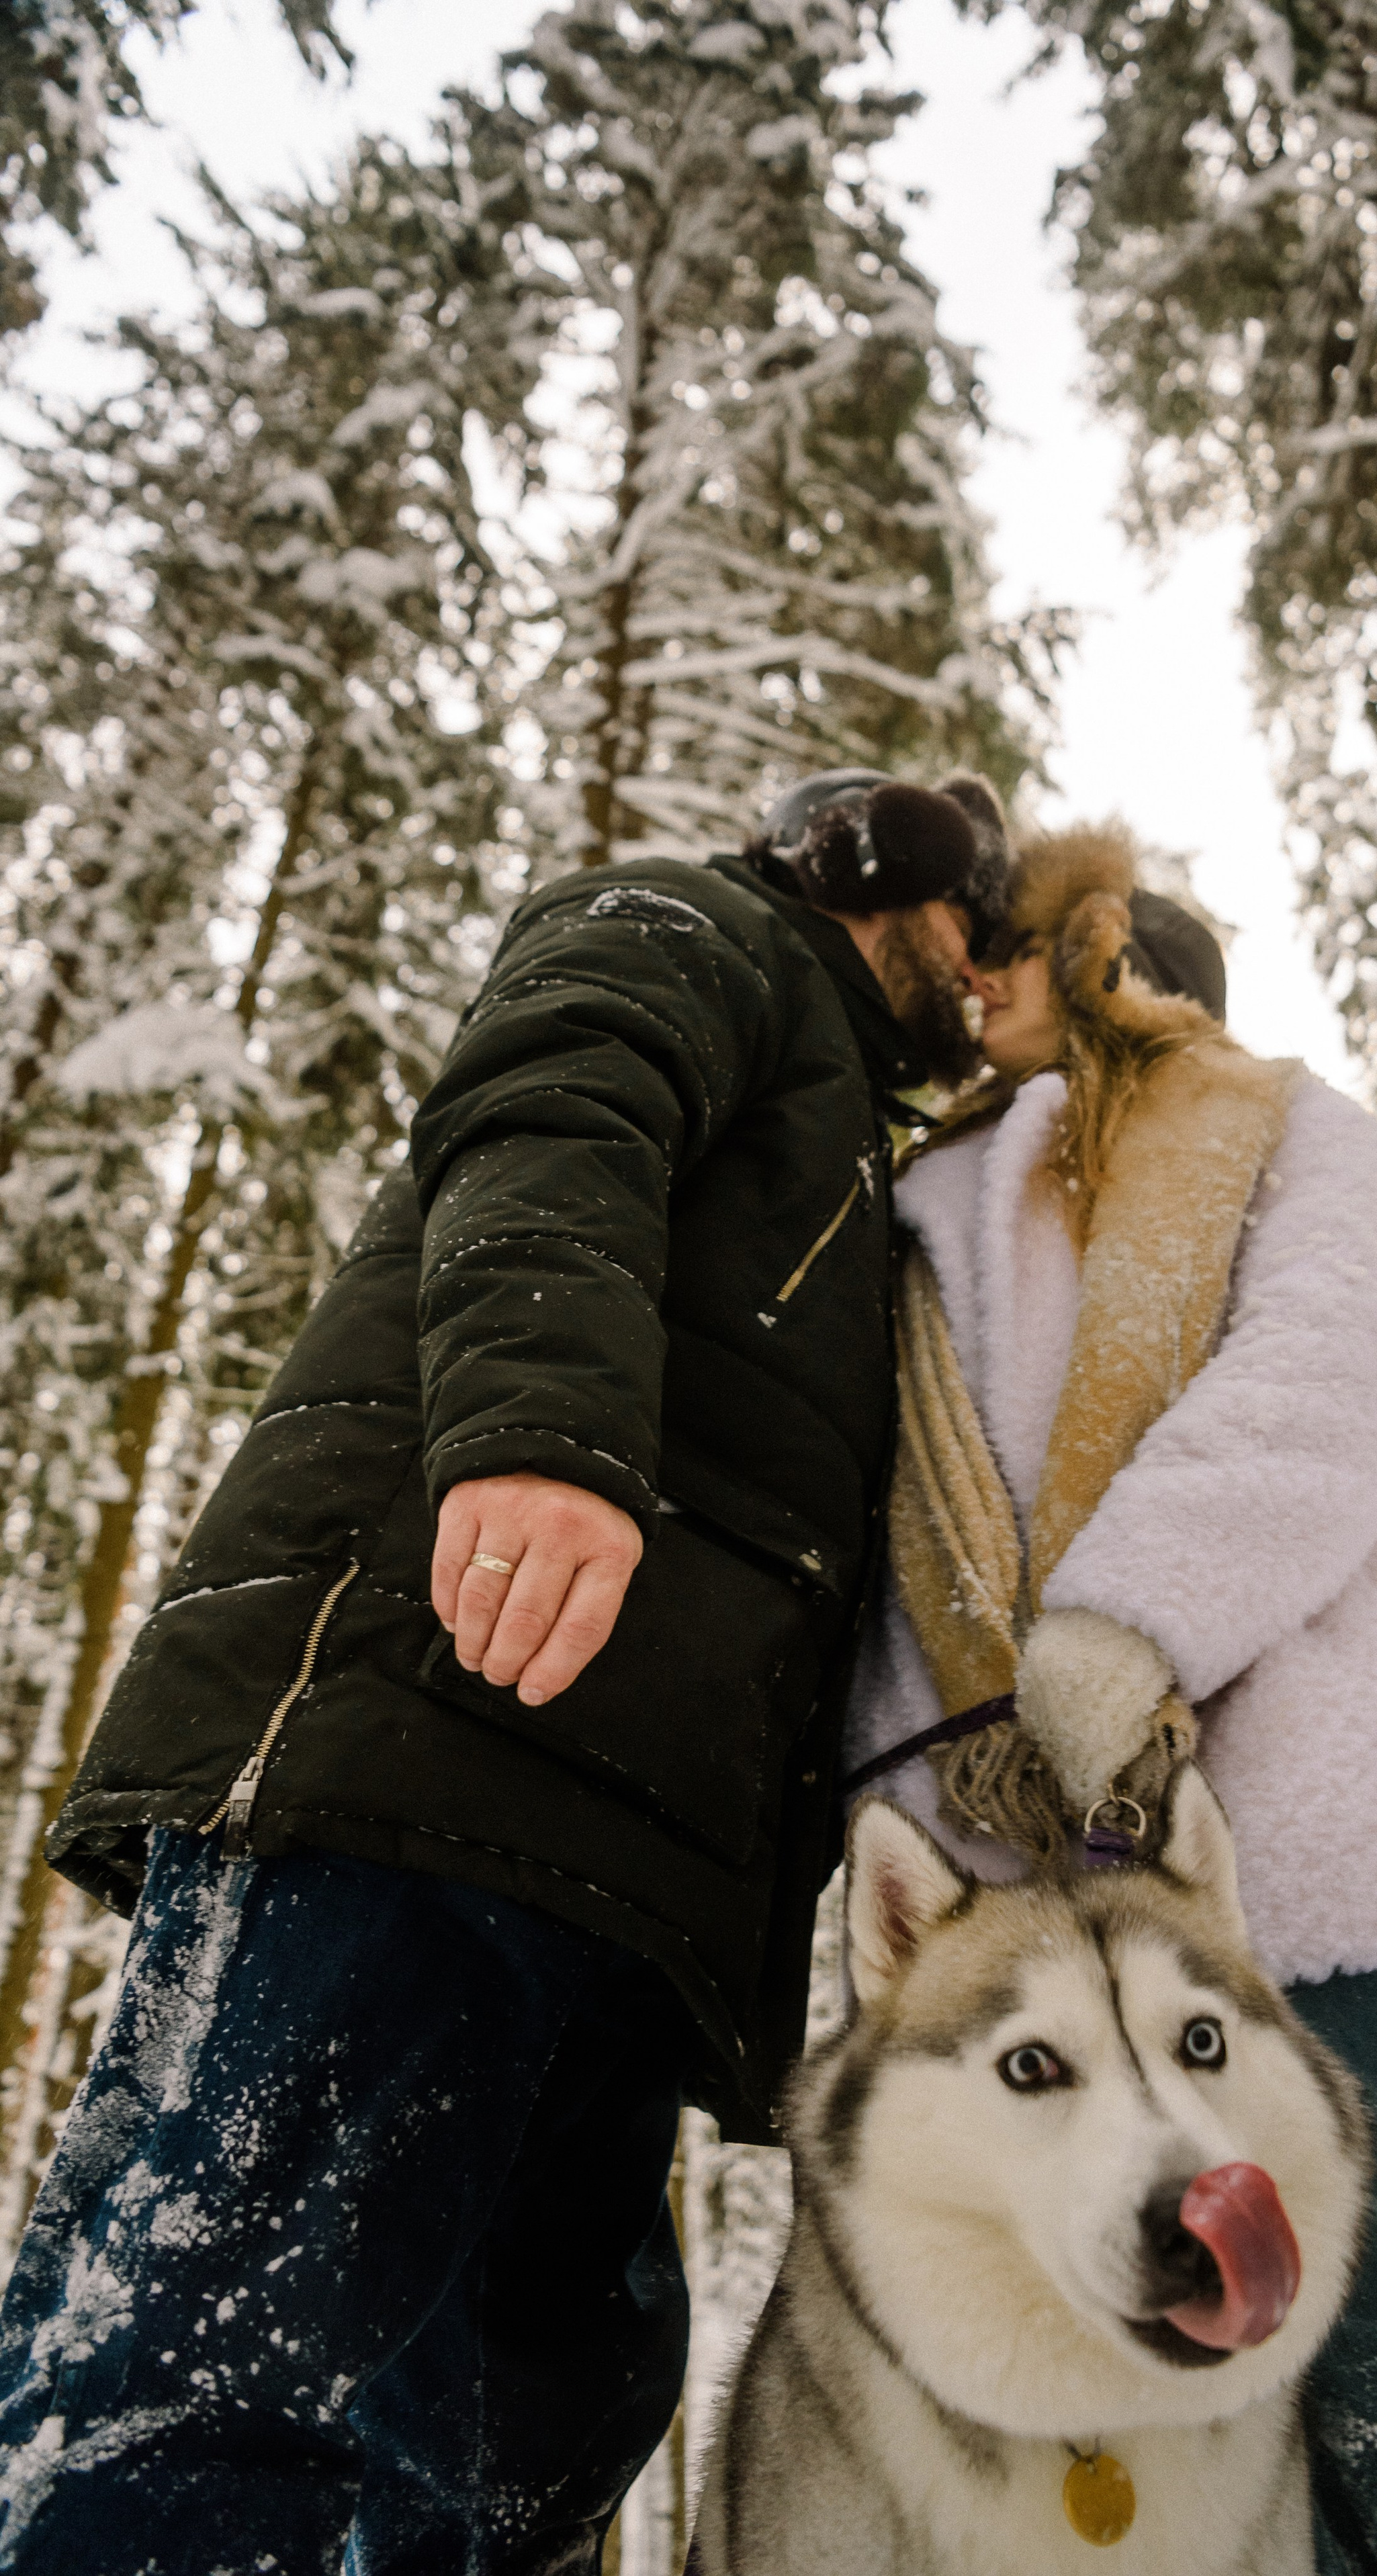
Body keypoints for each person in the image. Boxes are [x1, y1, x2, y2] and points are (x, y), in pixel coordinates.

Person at [0, 768, 1011, 2574]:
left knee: (522, 2448)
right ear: (881, 870)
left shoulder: (869, 1153)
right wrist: (543, 1421)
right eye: (973, 925)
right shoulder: (701, 928)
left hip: (631, 1875)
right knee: (229, 2361)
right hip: (420, 1743)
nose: (986, 974)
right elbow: (561, 1095)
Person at [844, 821, 1377, 2576]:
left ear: (1113, 958)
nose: (982, 984)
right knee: (1162, 2368)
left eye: (1021, 951)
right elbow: (913, 1519)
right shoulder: (930, 1193)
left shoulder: (1277, 1121)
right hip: (1028, 1864)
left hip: (1294, 1793)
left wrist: (1133, 1617)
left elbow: (1326, 1373)